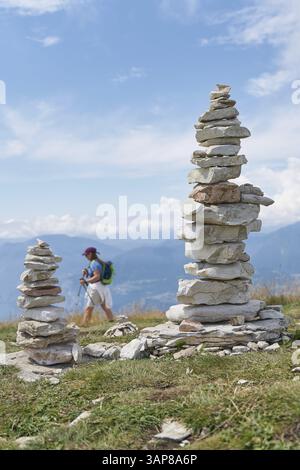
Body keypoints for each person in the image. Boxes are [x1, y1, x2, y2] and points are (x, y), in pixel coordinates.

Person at [80, 247, 114, 326]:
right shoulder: (100, 262)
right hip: (103, 287)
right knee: (105, 306)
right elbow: (98, 275)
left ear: (91, 254)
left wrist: (85, 281)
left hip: (96, 288)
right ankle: (112, 322)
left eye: (86, 255)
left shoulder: (94, 263)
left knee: (89, 307)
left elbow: (97, 276)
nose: (86, 257)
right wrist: (87, 272)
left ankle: (84, 325)